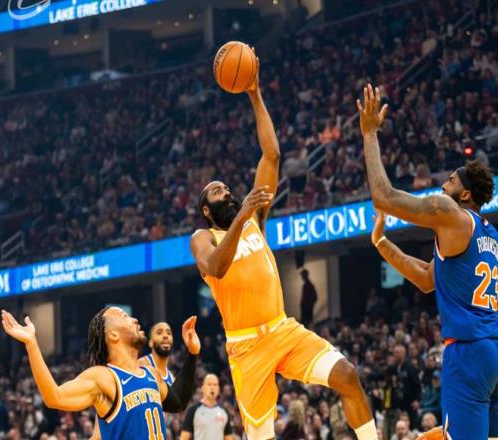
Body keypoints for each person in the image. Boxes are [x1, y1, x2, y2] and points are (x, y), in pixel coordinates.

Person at [191, 55, 378, 440]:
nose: (227, 191)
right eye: (217, 192)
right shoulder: (203, 237)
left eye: (226, 187)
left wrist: (255, 94)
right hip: (246, 347)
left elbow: (272, 155)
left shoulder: (254, 219)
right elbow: (216, 267)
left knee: (347, 375)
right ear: (207, 210)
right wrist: (242, 216)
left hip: (282, 329)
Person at [357, 84, 498, 440]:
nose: (442, 186)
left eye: (450, 181)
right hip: (490, 348)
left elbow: (383, 197)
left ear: (465, 194)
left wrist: (370, 135)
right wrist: (382, 243)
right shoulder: (489, 235)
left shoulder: (449, 212)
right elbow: (425, 277)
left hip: (466, 351)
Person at [0, 308, 200, 439]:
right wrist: (32, 344)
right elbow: (55, 397)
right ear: (113, 335)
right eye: (125, 316)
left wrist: (193, 353)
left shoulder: (152, 374)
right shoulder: (104, 377)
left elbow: (179, 401)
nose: (134, 319)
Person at [180, 374, 233, 440]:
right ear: (203, 388)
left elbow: (229, 438)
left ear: (218, 389)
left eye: (215, 385)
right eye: (209, 384)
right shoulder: (193, 410)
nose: (212, 387)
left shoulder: (224, 412)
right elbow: (184, 437)